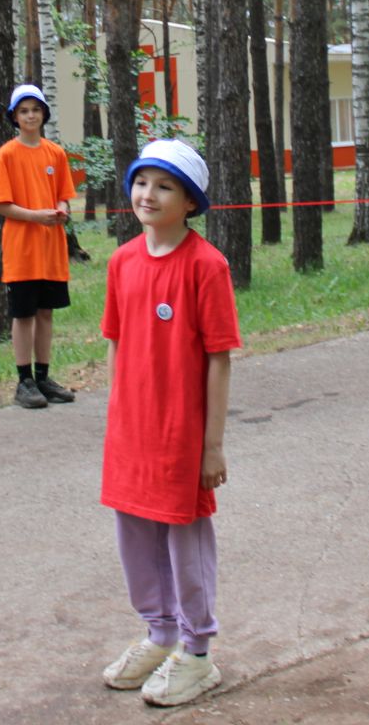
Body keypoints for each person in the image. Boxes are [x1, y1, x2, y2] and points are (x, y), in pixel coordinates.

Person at [98, 138, 240, 708]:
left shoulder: (207, 266)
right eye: (141, 182)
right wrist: (118, 416)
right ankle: (158, 635)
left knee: (185, 539)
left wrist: (212, 447)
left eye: (164, 186)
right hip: (132, 432)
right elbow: (115, 343)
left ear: (190, 202)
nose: (147, 195)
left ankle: (198, 653)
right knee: (134, 536)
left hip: (182, 436)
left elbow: (219, 358)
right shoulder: (121, 261)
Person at [0, 83, 79, 409]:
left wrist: (62, 212)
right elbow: (0, 204)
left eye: (36, 109)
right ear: (15, 117)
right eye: (24, 111)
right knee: (23, 314)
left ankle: (43, 377)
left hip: (51, 249)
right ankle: (24, 380)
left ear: (44, 114)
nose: (30, 115)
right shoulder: (6, 156)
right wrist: (36, 216)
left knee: (46, 313)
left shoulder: (55, 153)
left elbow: (64, 195)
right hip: (22, 249)